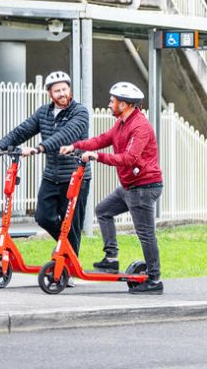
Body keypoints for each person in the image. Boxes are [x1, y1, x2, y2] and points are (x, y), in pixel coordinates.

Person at [60, 82, 164, 294]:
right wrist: (76, 146)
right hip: (130, 186)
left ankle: (154, 279)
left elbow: (129, 158)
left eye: (112, 101)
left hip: (144, 186)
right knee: (103, 210)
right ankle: (111, 258)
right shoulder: (122, 123)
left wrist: (97, 157)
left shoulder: (140, 127)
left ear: (123, 104)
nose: (109, 104)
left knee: (145, 233)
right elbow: (102, 139)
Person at [0, 71, 91, 258]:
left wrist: (39, 148)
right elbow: (23, 130)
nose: (62, 94)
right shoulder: (44, 112)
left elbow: (65, 135)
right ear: (50, 94)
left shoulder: (80, 112)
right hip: (52, 176)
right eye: (57, 90)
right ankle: (66, 251)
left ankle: (67, 266)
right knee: (43, 217)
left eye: (64, 89)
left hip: (75, 176)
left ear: (70, 90)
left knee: (72, 225)